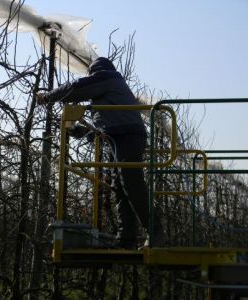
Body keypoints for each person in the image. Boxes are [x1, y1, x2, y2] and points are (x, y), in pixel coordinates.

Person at [36, 57, 165, 249]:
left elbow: (76, 87)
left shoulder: (106, 78)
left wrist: (48, 96)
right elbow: (106, 127)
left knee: (131, 182)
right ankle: (126, 238)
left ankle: (155, 233)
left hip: (127, 136)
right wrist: (80, 131)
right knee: (121, 186)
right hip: (120, 136)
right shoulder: (111, 92)